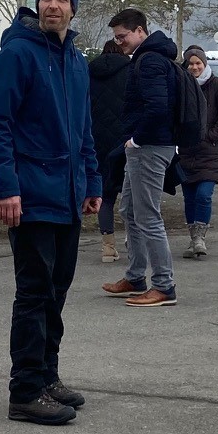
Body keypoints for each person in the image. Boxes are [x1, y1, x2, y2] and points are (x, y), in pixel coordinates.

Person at [0, 0, 102, 425]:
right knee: (33, 294)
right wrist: (5, 186)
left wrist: (91, 183)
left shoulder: (76, 62)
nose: (53, 5)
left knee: (57, 290)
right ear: (38, 4)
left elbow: (84, 131)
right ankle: (25, 391)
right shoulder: (17, 53)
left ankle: (47, 376)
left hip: (68, 196)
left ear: (73, 8)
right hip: (29, 196)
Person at [104, 8, 179, 307]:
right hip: (148, 146)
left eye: (123, 36)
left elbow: (157, 107)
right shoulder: (151, 57)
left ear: (139, 31)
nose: (120, 42)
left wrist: (136, 139)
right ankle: (136, 277)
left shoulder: (149, 61)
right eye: (117, 37)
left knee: (148, 216)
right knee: (130, 211)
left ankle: (164, 286)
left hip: (149, 147)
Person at [177, 46, 218, 258]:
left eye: (198, 63)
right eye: (191, 64)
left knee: (203, 195)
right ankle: (193, 239)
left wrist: (210, 136)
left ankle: (200, 237)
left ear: (204, 63)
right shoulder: (182, 86)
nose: (194, 67)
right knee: (189, 197)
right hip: (186, 151)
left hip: (211, 152)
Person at [88, 36, 132, 264]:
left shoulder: (89, 72)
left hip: (97, 141)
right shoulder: (130, 72)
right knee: (131, 195)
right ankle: (133, 242)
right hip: (124, 142)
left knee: (105, 196)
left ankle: (107, 247)